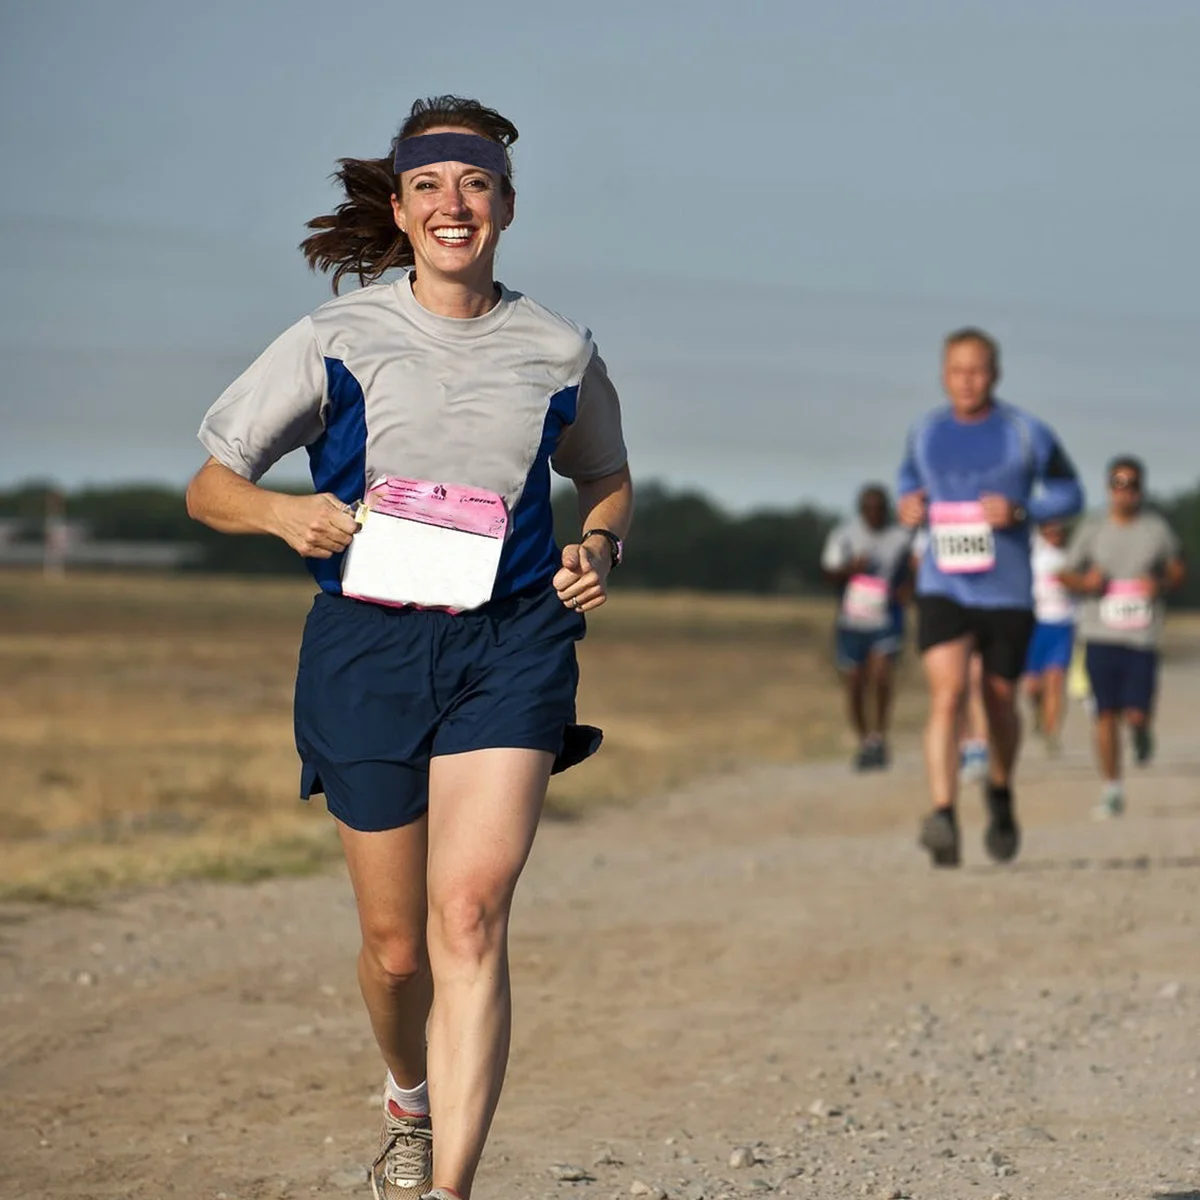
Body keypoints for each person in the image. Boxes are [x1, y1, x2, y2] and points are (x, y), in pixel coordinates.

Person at [185, 96, 633, 1200]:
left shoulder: (557, 348)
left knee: (469, 914)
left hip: (512, 642)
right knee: (398, 951)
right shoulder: (337, 340)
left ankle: (449, 1191)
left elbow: (606, 479)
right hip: (367, 647)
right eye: (430, 185)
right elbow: (209, 486)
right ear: (399, 207)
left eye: (474, 185)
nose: (453, 204)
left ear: (507, 208)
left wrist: (601, 548)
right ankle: (407, 1098)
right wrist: (287, 517)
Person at [897, 327, 1084, 867]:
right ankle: (943, 815)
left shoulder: (1026, 432)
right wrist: (908, 505)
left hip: (1006, 591)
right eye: (957, 370)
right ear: (942, 374)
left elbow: (1071, 492)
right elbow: (907, 485)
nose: (967, 381)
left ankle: (1000, 792)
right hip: (943, 584)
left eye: (977, 370)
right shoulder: (925, 432)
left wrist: (1024, 511)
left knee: (999, 700)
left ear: (995, 375)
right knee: (948, 694)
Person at [1060, 456, 1185, 818]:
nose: (1125, 491)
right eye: (1118, 483)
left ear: (1141, 489)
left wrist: (1160, 583)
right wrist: (1085, 582)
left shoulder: (1155, 529)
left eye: (1131, 484)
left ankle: (1142, 732)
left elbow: (1178, 569)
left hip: (1141, 637)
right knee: (1105, 714)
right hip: (1100, 633)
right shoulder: (1093, 529)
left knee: (1135, 713)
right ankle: (1112, 788)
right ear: (1108, 487)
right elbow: (1065, 572)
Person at [820, 484, 913, 770]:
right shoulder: (844, 535)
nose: (875, 514)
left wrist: (907, 589)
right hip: (852, 620)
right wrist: (851, 569)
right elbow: (828, 572)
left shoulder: (901, 537)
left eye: (880, 508)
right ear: (861, 510)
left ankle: (879, 736)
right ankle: (863, 741)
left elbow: (915, 570)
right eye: (869, 509)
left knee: (882, 676)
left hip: (885, 619)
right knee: (856, 683)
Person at [1022, 519, 1077, 754]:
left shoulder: (1072, 556)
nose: (1055, 533)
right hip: (1034, 624)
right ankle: (1038, 711)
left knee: (1055, 680)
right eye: (1050, 528)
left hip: (1063, 624)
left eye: (1059, 528)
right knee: (1032, 687)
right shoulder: (1032, 553)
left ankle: (1052, 733)